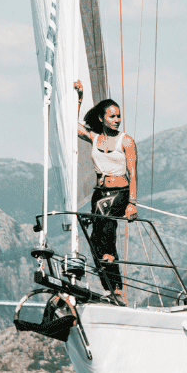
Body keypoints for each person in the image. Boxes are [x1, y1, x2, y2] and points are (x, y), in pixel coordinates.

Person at [75, 80, 137, 305]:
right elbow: (73, 126)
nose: (117, 119)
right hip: (100, 193)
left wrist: (132, 203)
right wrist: (79, 99)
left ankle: (118, 290)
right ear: (102, 118)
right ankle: (110, 288)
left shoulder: (126, 141)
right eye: (112, 116)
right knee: (95, 240)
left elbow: (133, 173)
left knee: (106, 232)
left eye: (118, 116)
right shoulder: (95, 138)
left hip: (120, 192)